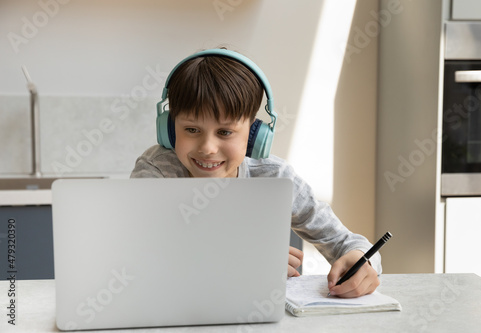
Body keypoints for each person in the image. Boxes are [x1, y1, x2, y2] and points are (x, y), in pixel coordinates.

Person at [131, 48, 381, 298]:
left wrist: (363, 261)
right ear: (169, 129)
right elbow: (135, 256)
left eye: (225, 132)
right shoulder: (157, 171)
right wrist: (238, 262)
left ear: (254, 136)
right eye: (191, 130)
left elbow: (347, 242)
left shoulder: (275, 177)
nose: (207, 148)